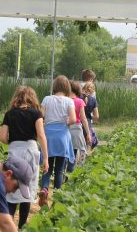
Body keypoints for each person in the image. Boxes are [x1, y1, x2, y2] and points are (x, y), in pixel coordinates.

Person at [0, 86, 49, 229]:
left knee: (12, 189)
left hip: (14, 152)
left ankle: (7, 226)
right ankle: (21, 226)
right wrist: (46, 158)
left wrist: (13, 142)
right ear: (32, 98)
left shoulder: (10, 114)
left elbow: (2, 137)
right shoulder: (36, 113)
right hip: (30, 151)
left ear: (17, 98)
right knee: (28, 187)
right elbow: (41, 135)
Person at [39, 75, 76, 206]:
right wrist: (64, 122)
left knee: (46, 167)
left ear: (55, 86)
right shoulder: (69, 101)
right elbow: (73, 119)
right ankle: (57, 197)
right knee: (59, 170)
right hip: (62, 137)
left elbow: (40, 116)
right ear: (67, 87)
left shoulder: (46, 99)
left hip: (48, 136)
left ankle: (44, 189)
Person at [67, 80, 91, 172]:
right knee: (75, 151)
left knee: (66, 153)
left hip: (66, 128)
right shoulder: (80, 101)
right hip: (76, 129)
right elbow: (83, 118)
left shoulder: (65, 101)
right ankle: (71, 174)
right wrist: (88, 133)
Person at [82, 82, 99, 150]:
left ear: (83, 88)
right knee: (84, 147)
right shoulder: (93, 100)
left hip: (77, 124)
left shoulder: (78, 98)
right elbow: (96, 116)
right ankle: (82, 160)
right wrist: (89, 115)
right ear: (93, 91)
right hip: (87, 126)